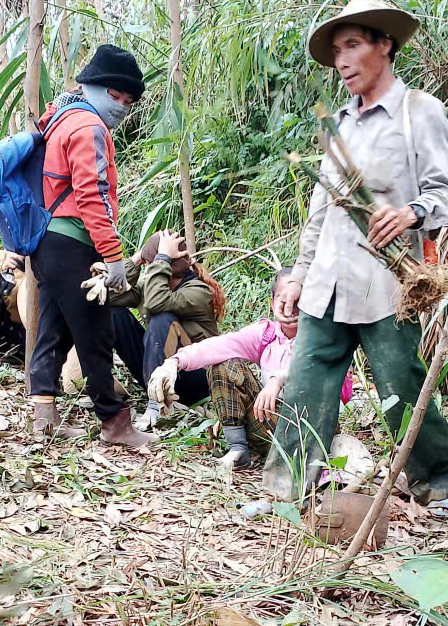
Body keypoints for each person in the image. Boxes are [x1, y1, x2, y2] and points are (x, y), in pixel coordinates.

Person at [265, 0, 448, 513]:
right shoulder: (339, 126)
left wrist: (412, 212)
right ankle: (288, 490)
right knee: (308, 385)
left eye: (353, 45)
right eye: (336, 51)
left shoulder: (418, 112)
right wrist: (296, 277)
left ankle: (442, 484)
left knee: (401, 387)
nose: (342, 60)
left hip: (389, 284)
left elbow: (447, 192)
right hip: (328, 282)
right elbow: (320, 214)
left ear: (385, 45)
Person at [27, 43, 150, 447]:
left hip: (48, 242)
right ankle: (115, 422)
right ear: (91, 87)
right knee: (96, 332)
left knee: (54, 325)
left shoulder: (60, 119)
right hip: (72, 241)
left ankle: (44, 415)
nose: (120, 106)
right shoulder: (89, 127)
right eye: (114, 96)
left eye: (128, 101)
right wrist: (113, 256)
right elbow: (92, 194)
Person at [147, 267, 354, 466]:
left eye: (299, 302)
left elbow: (314, 367)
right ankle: (237, 448)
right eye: (284, 301)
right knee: (222, 362)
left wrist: (277, 381)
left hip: (312, 432)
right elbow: (220, 345)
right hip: (269, 425)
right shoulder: (266, 335)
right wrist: (173, 362)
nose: (291, 308)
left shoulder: (326, 335)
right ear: (273, 303)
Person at [108, 229, 226, 429]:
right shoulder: (154, 284)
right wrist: (138, 258)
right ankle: (106, 389)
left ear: (161, 266)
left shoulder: (199, 292)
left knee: (162, 319)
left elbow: (157, 303)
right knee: (113, 314)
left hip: (194, 378)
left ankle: (156, 406)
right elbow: (111, 297)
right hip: (157, 373)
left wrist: (159, 257)